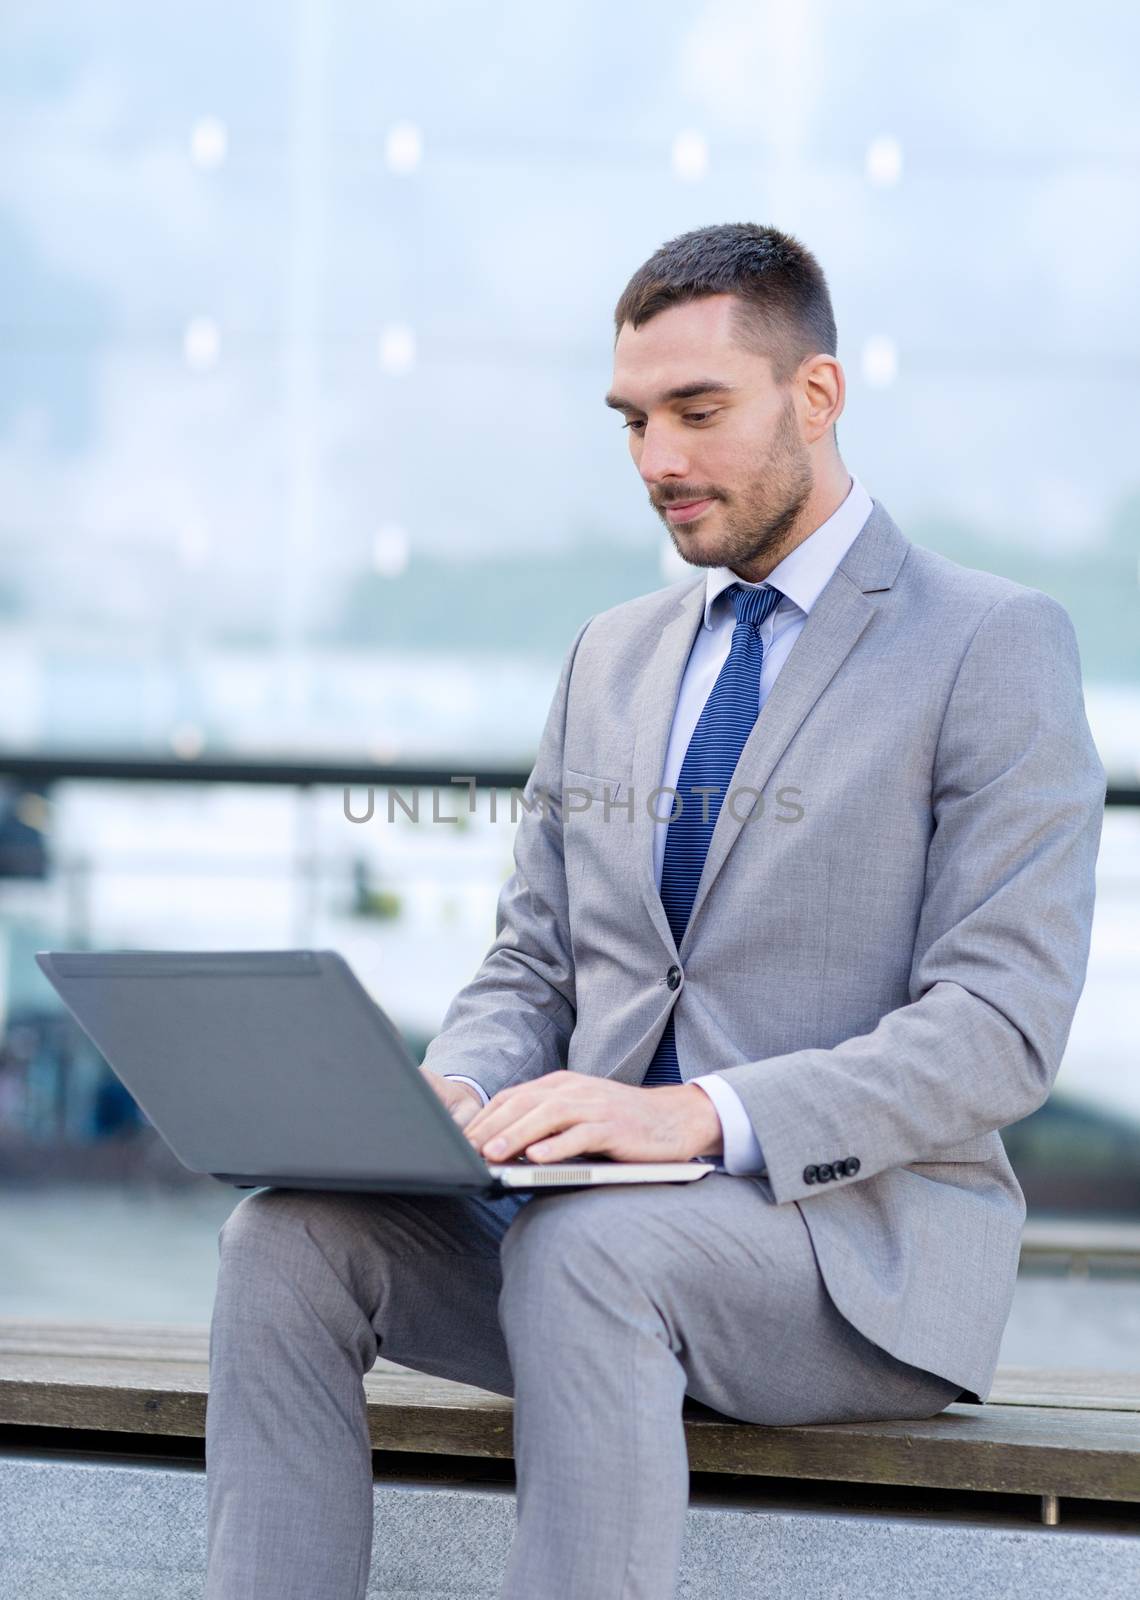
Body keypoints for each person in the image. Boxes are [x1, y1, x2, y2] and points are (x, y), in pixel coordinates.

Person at [205, 223, 1106, 1600]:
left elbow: (1000, 1028)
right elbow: (535, 962)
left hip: (854, 1264)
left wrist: (700, 1116)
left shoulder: (992, 643)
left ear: (817, 397)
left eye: (698, 412)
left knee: (592, 1247)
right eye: (633, 421)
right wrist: (456, 1090)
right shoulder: (613, 655)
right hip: (586, 1226)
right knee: (287, 1238)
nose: (658, 463)